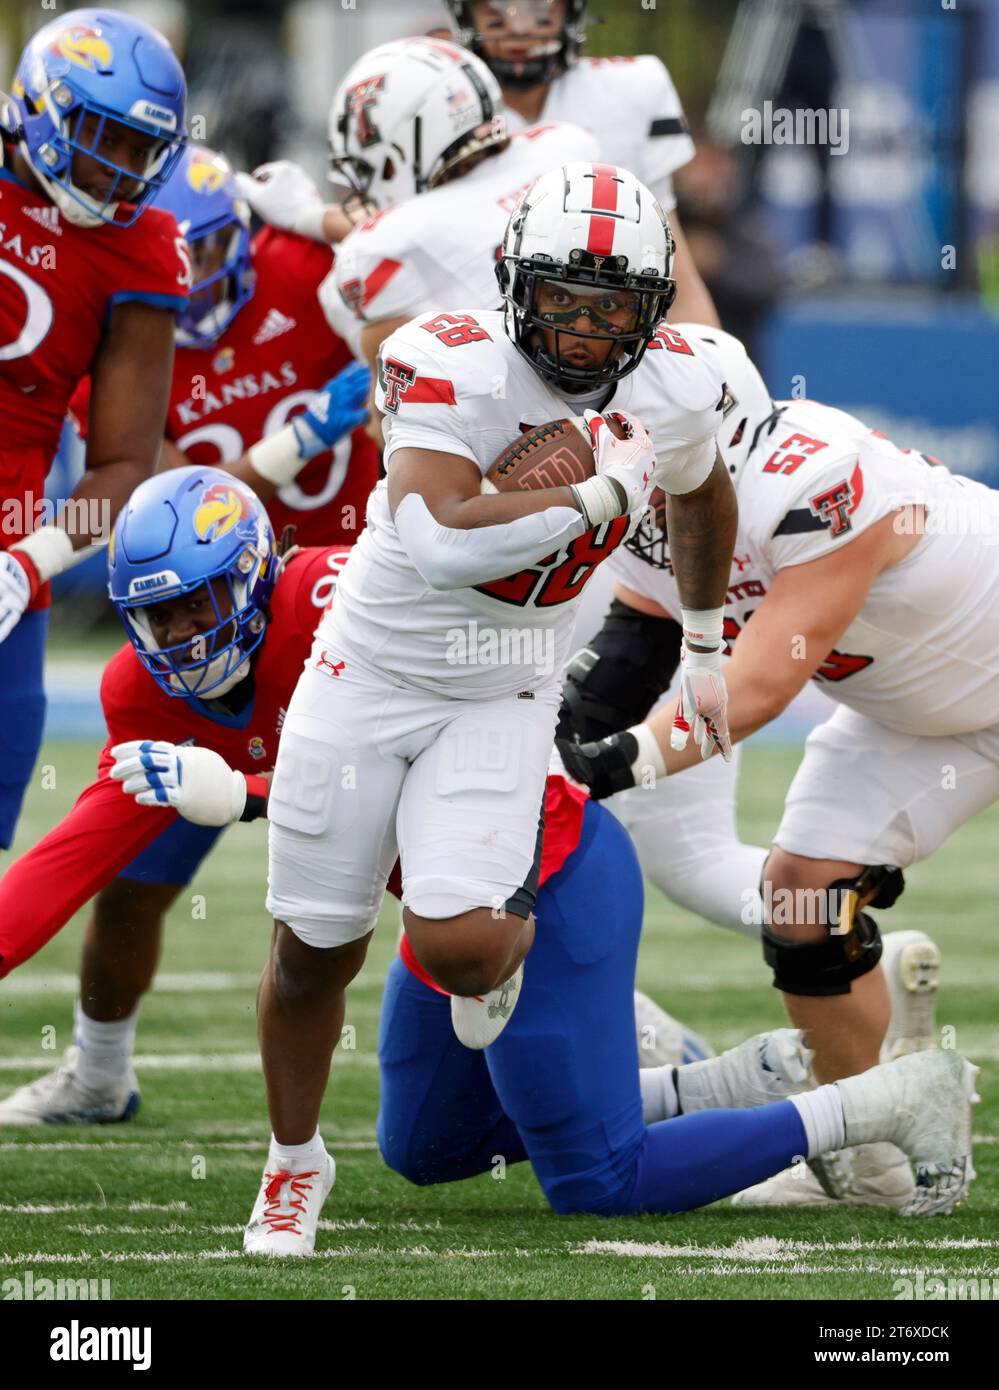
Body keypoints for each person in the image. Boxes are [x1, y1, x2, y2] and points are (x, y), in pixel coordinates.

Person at [247, 160, 740, 1252]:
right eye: (562, 295)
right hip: (369, 672)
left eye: (612, 304)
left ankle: (491, 955)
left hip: (506, 686)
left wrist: (703, 642)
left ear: (651, 313)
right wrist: (596, 493)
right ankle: (293, 1162)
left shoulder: (675, 381)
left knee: (467, 948)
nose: (582, 326)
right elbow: (436, 540)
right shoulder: (446, 357)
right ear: (516, 281)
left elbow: (705, 484)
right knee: (313, 948)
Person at [557, 323, 999, 1204]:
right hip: (921, 719)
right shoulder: (659, 509)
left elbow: (754, 687)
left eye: (647, 435)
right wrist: (539, 750)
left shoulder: (813, 478)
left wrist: (600, 771)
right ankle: (869, 1151)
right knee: (799, 898)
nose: (627, 452)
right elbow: (629, 656)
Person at [373, 762, 975, 1237]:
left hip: (533, 881)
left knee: (600, 1187)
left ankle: (886, 1099)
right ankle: (708, 1089)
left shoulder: (330, 646)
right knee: (427, 1143)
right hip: (448, 902)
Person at [0, 468, 351, 1125]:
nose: (185, 631)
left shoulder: (329, 599)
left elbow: (386, 787)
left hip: (422, 813)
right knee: (128, 891)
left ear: (252, 573)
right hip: (235, 770)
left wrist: (248, 794)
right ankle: (97, 1076)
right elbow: (58, 869)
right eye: (159, 615)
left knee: (449, 948)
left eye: (200, 601)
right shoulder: (140, 690)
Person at [0, 7, 188, 852]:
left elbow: (119, 469)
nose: (116, 172)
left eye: (137, 152)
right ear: (40, 107)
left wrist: (27, 563)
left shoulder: (139, 248)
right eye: (100, 138)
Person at [69, 143, 376, 547]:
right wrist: (300, 439)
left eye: (197, 253)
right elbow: (184, 510)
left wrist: (322, 221)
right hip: (225, 590)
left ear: (235, 235)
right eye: (154, 257)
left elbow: (417, 245)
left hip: (358, 555)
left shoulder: (303, 268)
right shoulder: (103, 356)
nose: (183, 279)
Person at [443, 0, 719, 327]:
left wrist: (714, 362)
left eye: (537, 8)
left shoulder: (631, 90)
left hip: (606, 333)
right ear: (467, 13)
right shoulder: (439, 104)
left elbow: (674, 275)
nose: (517, 28)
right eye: (496, 12)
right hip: (478, 334)